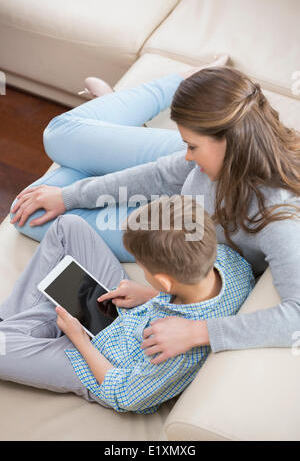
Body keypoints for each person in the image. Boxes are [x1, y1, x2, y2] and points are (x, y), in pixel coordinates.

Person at [8, 58, 300, 362]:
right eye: (187, 144)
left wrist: (199, 331)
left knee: (27, 217)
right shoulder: (203, 160)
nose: (187, 155)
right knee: (59, 134)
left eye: (192, 146)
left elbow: (297, 316)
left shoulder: (278, 218)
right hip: (178, 200)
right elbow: (159, 177)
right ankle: (176, 82)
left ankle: (112, 124)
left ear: (230, 143)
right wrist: (69, 196)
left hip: (171, 230)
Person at [0, 196, 255, 413]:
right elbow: (193, 296)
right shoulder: (227, 259)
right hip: (131, 313)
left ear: (165, 280)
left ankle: (24, 326)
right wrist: (147, 293)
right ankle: (21, 322)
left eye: (141, 266)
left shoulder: (173, 348)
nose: (139, 267)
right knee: (68, 226)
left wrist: (80, 340)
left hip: (102, 364)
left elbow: (126, 395)